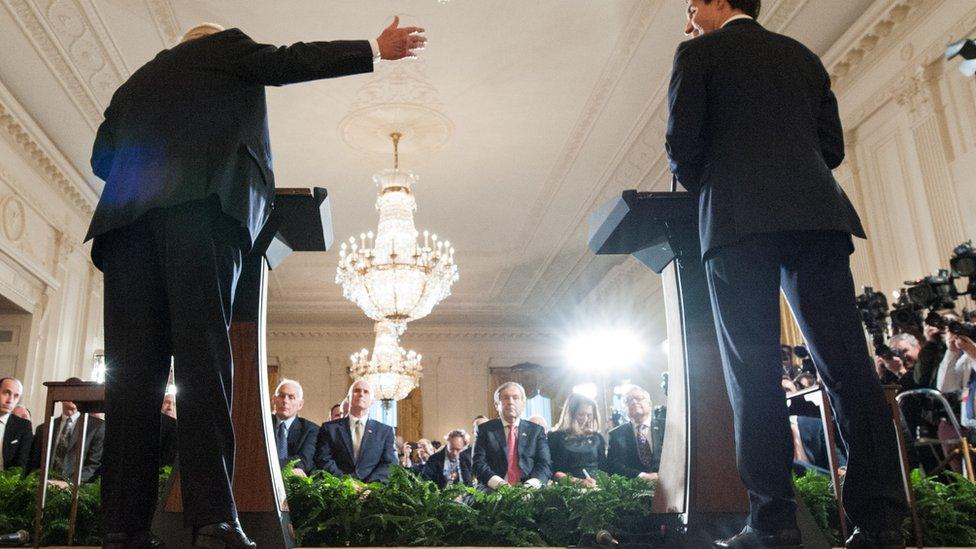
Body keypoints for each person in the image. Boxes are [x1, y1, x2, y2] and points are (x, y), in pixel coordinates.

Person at [86, 17, 426, 549]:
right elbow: (287, 60)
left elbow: (102, 157)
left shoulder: (136, 81)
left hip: (126, 230)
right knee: (204, 367)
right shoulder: (224, 48)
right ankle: (213, 522)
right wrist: (372, 49)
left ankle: (122, 529)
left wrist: (152, 169)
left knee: (131, 380)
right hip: (201, 214)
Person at [666, 1, 907, 547]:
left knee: (751, 371)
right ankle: (882, 522)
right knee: (848, 366)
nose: (688, 12)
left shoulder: (697, 54)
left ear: (718, 3)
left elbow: (683, 147)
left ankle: (772, 525)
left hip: (736, 222)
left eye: (693, 3)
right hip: (816, 217)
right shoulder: (802, 55)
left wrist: (724, 180)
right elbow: (832, 148)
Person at [313, 379, 396, 484]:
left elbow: (389, 463)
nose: (361, 394)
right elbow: (323, 459)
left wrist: (370, 486)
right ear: (348, 398)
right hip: (338, 489)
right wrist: (346, 483)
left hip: (373, 492)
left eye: (366, 392)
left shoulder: (385, 431)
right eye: (357, 390)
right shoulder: (329, 428)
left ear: (372, 401)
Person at [472, 382, 551, 489]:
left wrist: (530, 485)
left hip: (530, 488)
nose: (510, 402)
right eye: (505, 398)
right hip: (493, 488)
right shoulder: (485, 430)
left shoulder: (536, 431)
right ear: (496, 405)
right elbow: (478, 464)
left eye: (516, 398)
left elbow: (544, 464)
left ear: (523, 404)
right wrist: (500, 484)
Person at [29, 398, 105, 484]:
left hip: (76, 490)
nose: (72, 396)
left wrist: (68, 484)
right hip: (43, 486)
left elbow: (93, 465)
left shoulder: (96, 427)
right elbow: (35, 462)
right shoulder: (43, 428)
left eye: (77, 393)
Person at [548, 393, 605, 488]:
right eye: (581, 414)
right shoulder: (555, 437)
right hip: (566, 490)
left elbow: (604, 469)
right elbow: (552, 472)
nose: (585, 419)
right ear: (570, 414)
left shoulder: (597, 437)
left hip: (595, 487)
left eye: (589, 415)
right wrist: (579, 482)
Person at [606, 386, 660, 482]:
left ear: (650, 404)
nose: (634, 402)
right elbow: (614, 467)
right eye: (629, 400)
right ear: (624, 409)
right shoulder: (616, 435)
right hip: (634, 489)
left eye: (639, 398)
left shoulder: (665, 427)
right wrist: (642, 476)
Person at [271, 379, 318, 476]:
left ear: (300, 404)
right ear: (274, 399)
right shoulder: (262, 425)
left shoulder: (310, 430)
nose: (285, 401)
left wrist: (269, 465)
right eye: (281, 396)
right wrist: (288, 469)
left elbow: (304, 461)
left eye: (291, 397)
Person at [0, 377, 32, 471]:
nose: (10, 400)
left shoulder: (23, 426)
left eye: (16, 396)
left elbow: (21, 465)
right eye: (6, 393)